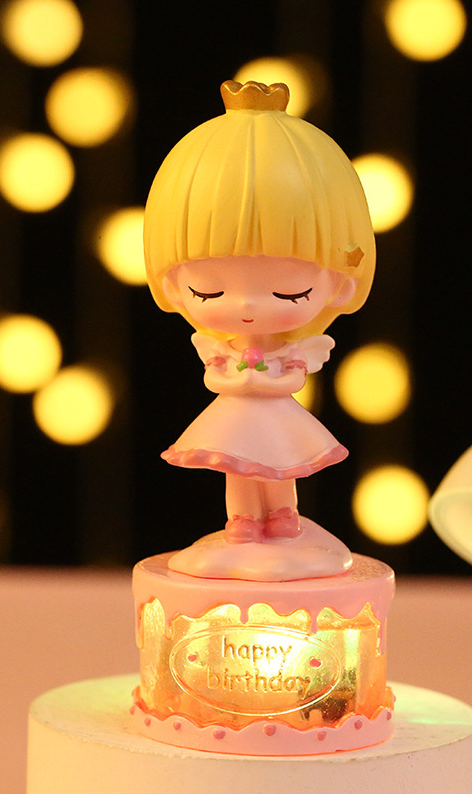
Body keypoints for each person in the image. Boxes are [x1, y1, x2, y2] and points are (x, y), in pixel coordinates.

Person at [144, 79, 375, 560]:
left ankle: (283, 514)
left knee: (278, 467)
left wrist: (263, 380)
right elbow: (213, 377)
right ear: (172, 284)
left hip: (275, 418)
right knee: (239, 471)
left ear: (340, 285)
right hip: (233, 419)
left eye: (290, 292)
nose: (247, 306)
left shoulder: (293, 350)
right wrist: (237, 377)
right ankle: (243, 520)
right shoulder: (220, 347)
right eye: (209, 291)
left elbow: (293, 379)